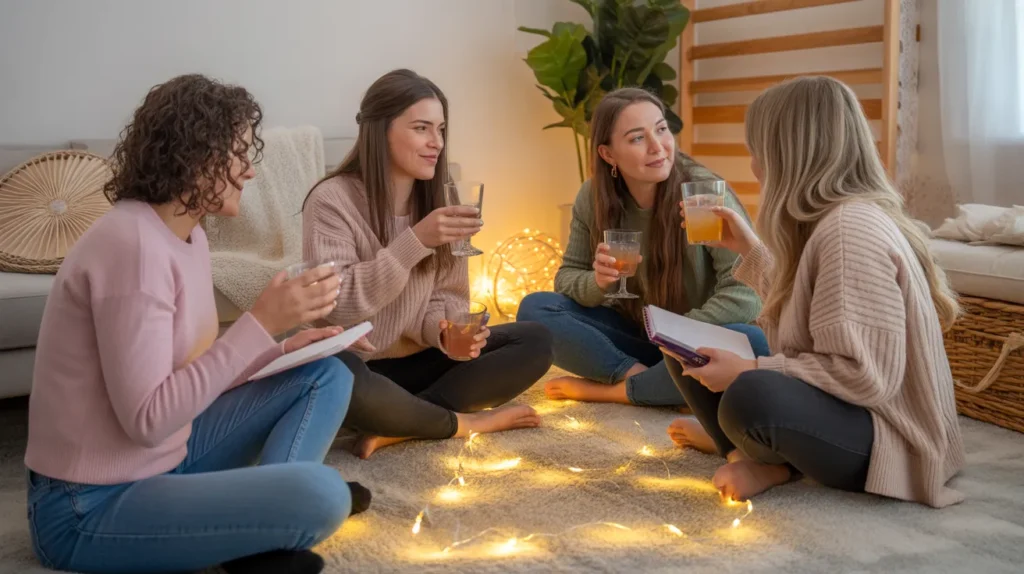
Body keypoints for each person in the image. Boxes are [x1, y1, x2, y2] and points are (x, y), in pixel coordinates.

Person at [24, 75, 369, 574]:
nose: (250, 172)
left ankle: (257, 529)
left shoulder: (188, 236)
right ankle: (264, 524)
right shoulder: (132, 249)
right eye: (237, 154)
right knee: (322, 493)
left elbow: (186, 369)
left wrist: (277, 348)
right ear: (195, 156)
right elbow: (148, 420)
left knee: (326, 374)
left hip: (165, 459)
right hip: (87, 506)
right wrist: (258, 323)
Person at [663, 76, 965, 508]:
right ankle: (742, 451)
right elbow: (813, 317)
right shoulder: (837, 219)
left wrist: (750, 369)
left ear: (786, 153)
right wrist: (749, 247)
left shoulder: (849, 230)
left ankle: (766, 456)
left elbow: (863, 377)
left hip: (889, 438)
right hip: (858, 413)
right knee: (691, 339)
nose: (753, 166)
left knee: (751, 396)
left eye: (758, 151)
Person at [302, 69, 553, 459]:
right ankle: (459, 422)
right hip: (365, 367)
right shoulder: (332, 200)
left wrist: (446, 333)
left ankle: (402, 425)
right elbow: (341, 304)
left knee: (535, 339)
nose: (436, 142)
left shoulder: (441, 200)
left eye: (441, 129)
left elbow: (448, 294)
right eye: (422, 128)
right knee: (335, 375)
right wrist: (416, 241)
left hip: (420, 363)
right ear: (381, 130)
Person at [516, 88, 767, 408]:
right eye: (637, 138)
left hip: (696, 338)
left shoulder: (702, 194)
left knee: (756, 344)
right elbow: (567, 277)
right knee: (536, 310)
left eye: (661, 130)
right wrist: (598, 282)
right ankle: (640, 378)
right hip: (640, 337)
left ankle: (616, 391)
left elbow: (746, 293)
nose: (658, 146)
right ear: (608, 154)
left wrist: (676, 333)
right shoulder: (592, 197)